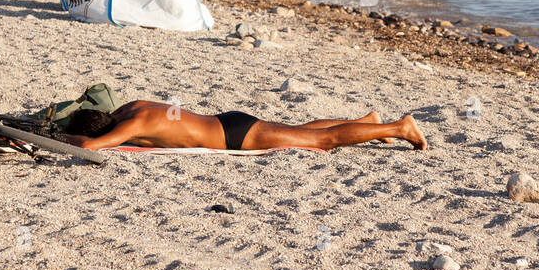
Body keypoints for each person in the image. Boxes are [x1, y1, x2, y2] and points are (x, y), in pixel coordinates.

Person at [58, 100, 427, 152]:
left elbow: (92, 147)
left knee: (322, 142)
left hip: (237, 137)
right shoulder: (131, 108)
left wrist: (61, 136)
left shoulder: (126, 129)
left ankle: (398, 128)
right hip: (227, 120)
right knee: (303, 128)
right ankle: (367, 124)